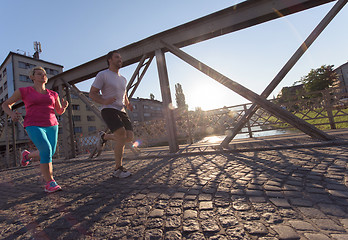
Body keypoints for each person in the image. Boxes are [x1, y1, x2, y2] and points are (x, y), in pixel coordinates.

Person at [1, 66, 68, 193]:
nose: (43, 75)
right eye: (39, 74)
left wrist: (63, 107)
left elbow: (58, 111)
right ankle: (50, 183)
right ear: (32, 77)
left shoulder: (54, 94)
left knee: (49, 152)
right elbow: (6, 104)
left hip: (52, 125)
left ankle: (27, 155)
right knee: (46, 150)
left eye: (44, 74)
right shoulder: (24, 91)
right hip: (33, 124)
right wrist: (11, 114)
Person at [89, 50, 134, 178]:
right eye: (117, 57)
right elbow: (92, 93)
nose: (120, 59)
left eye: (120, 57)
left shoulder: (123, 79)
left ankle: (104, 137)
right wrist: (104, 100)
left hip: (121, 110)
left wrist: (128, 104)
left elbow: (124, 95)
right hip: (108, 109)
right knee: (121, 135)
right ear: (110, 60)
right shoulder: (103, 75)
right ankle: (118, 169)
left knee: (129, 137)